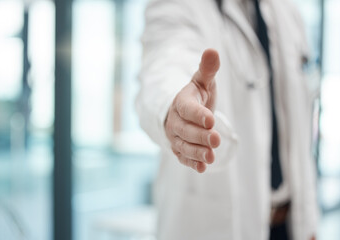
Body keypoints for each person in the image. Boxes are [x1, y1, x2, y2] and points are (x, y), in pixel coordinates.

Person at [136, 0, 319, 239]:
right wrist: (175, 107)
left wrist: (310, 223)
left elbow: (298, 135)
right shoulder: (178, 5)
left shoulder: (286, 10)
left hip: (290, 226)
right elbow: (166, 64)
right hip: (218, 227)